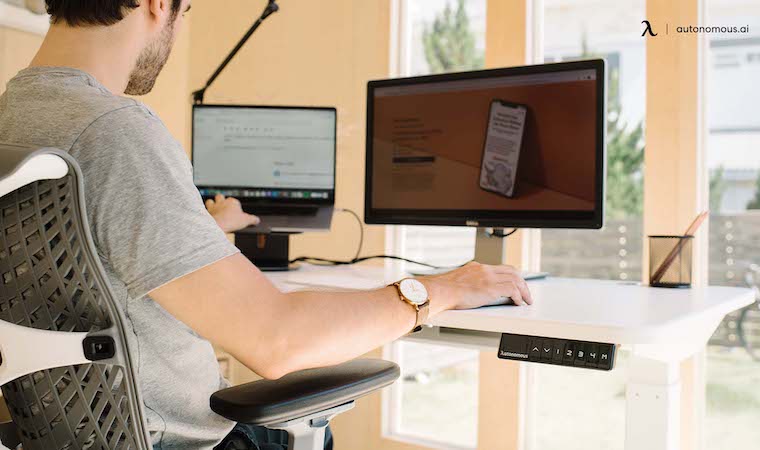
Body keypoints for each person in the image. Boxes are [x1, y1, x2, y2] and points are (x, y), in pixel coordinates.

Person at [0, 1, 533, 449]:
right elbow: (276, 341)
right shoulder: (116, 132)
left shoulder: (13, 116)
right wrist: (436, 290)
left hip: (58, 430)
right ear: (158, 4)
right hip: (178, 439)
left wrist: (204, 228)